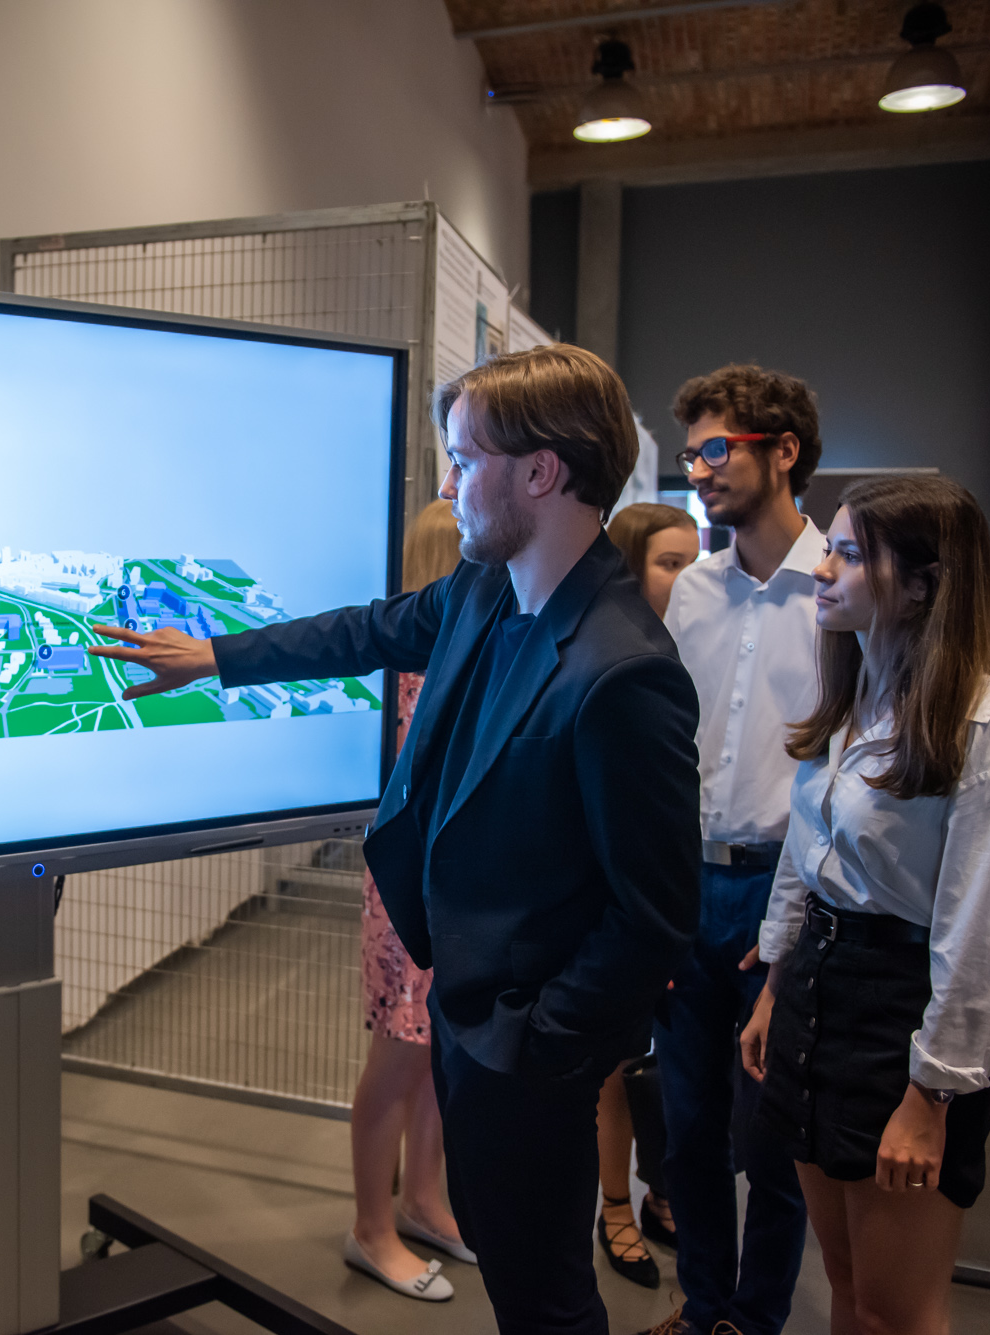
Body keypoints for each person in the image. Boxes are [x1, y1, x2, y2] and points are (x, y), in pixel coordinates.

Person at [91, 343, 701, 1335]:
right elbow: (362, 632)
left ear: (541, 472)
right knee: (514, 1267)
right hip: (466, 1012)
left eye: (464, 459)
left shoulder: (621, 669)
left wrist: (538, 1046)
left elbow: (654, 915)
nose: (447, 487)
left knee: (546, 1302)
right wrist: (215, 656)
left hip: (525, 1050)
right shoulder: (485, 590)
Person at [740, 476, 990, 1335]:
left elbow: (985, 937)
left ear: (920, 584)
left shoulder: (984, 730)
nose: (821, 568)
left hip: (903, 1016)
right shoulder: (855, 694)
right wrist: (775, 983)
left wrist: (931, 1095)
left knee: (895, 1311)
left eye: (847, 553)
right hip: (821, 989)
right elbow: (807, 853)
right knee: (845, 1282)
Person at [641, 366, 823, 1335]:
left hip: (782, 893)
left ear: (782, 451)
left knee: (772, 1137)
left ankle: (753, 1321)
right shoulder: (693, 593)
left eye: (717, 449)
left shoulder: (838, 590)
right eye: (691, 454)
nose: (699, 471)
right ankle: (704, 1304)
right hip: (687, 888)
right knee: (687, 1128)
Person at [344, 498, 472, 1302]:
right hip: (408, 896)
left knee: (437, 1058)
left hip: (461, 895)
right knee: (397, 1059)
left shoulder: (466, 660)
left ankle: (425, 1199)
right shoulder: (402, 677)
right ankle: (371, 1226)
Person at [595, 503, 699, 1288]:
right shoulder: (612, 655)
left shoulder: (701, 644)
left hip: (699, 889)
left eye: (695, 561)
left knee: (684, 1067)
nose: (688, 578)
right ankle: (613, 1205)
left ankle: (665, 1191)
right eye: (670, 563)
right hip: (622, 896)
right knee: (619, 1063)